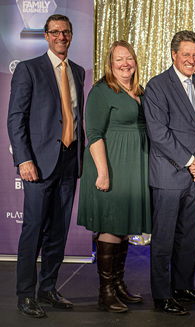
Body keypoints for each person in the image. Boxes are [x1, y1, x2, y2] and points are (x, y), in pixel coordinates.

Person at [7, 14, 85, 318]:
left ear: (71, 35)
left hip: (69, 159)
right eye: (55, 32)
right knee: (34, 229)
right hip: (38, 163)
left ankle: (49, 288)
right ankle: (25, 295)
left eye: (66, 32)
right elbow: (17, 118)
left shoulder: (77, 71)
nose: (61, 37)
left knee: (60, 230)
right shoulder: (29, 70)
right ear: (46, 35)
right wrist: (24, 159)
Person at [77, 40, 151, 313]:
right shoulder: (101, 91)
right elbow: (94, 133)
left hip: (132, 167)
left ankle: (118, 285)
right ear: (110, 64)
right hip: (111, 165)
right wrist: (104, 172)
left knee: (121, 226)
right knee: (110, 225)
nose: (125, 64)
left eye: (129, 58)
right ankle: (105, 292)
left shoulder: (138, 91)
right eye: (119, 59)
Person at [144, 31, 195, 316]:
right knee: (164, 238)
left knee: (187, 238)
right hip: (169, 175)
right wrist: (190, 160)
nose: (192, 60)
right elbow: (158, 133)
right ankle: (161, 295)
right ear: (174, 55)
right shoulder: (158, 85)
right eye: (186, 54)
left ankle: (182, 286)